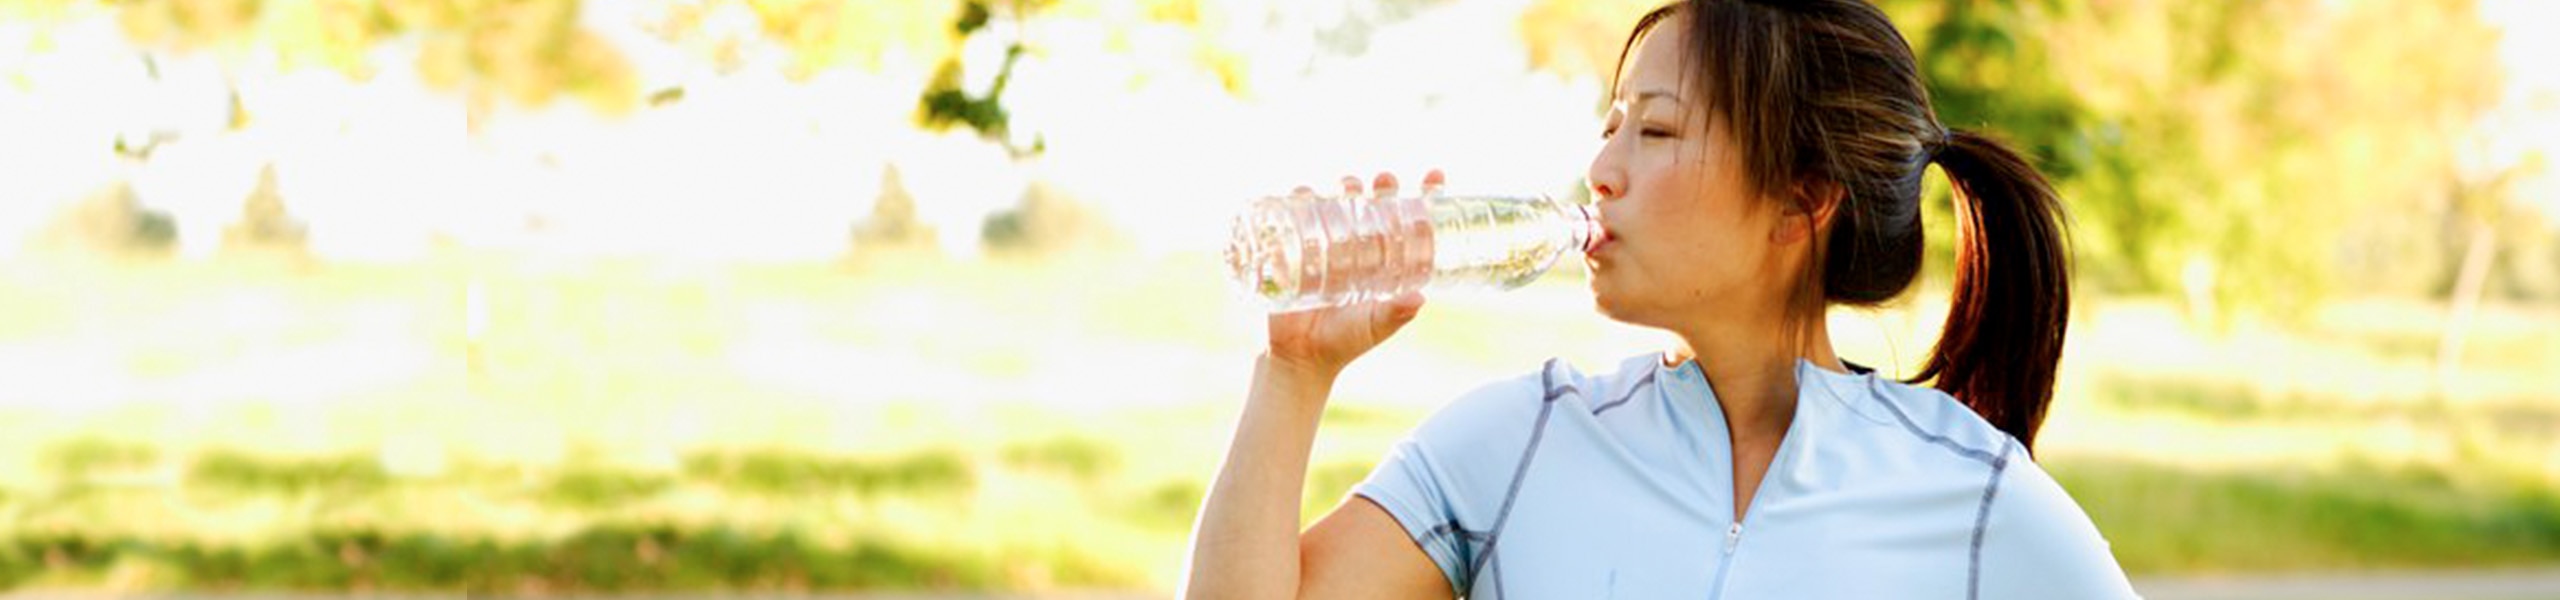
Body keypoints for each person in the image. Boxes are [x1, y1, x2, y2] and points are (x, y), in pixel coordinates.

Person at [1181, 0, 2139, 598]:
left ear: (1800, 201)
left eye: (1657, 131)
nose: (1599, 170)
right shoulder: (1514, 441)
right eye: (1609, 127)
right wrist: (1293, 373)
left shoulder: (1970, 491)